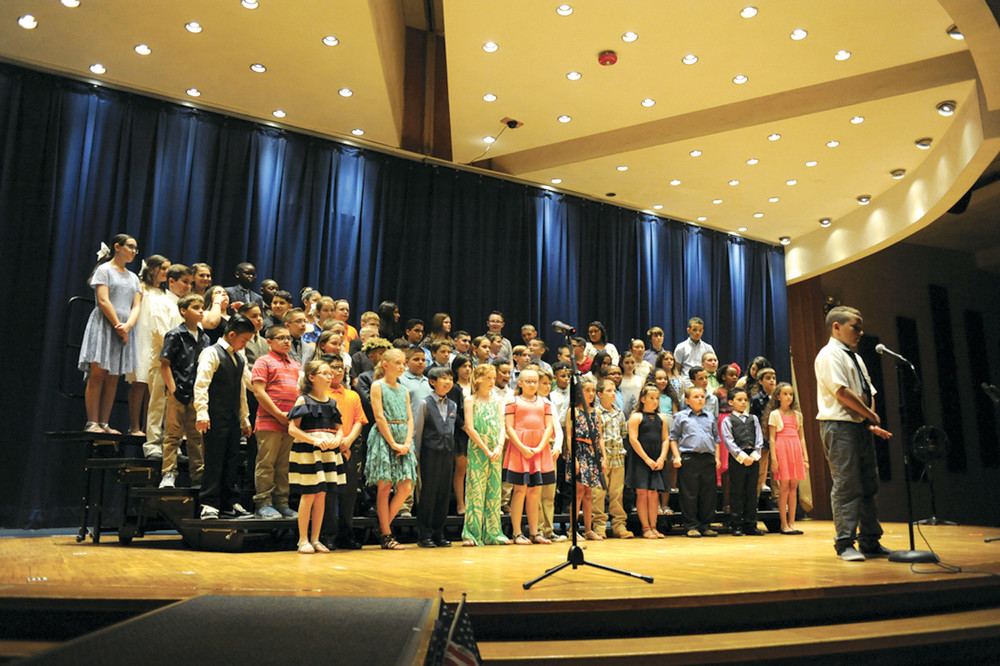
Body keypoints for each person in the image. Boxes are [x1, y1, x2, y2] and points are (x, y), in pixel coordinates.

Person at [814, 306, 893, 562]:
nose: (860, 332)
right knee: (847, 485)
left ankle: (870, 540)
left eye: (860, 327)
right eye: (854, 327)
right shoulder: (829, 354)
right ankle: (845, 542)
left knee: (869, 483)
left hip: (858, 425)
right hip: (838, 426)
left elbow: (867, 391)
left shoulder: (855, 357)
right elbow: (842, 393)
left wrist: (870, 420)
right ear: (836, 327)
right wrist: (869, 416)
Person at [78, 235, 142, 433]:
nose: (133, 251)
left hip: (123, 329)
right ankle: (92, 422)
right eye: (130, 247)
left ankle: (104, 423)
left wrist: (128, 326)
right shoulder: (104, 270)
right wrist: (118, 325)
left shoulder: (133, 278)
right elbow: (103, 300)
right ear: (117, 247)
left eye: (135, 249)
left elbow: (136, 305)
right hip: (105, 325)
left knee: (113, 376)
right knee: (98, 374)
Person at [194, 315, 255, 520]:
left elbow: (242, 392)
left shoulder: (239, 358)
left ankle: (228, 503)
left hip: (232, 419)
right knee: (214, 460)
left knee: (231, 461)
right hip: (213, 418)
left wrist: (244, 419)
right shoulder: (211, 353)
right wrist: (202, 413)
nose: (244, 345)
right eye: (244, 340)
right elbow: (201, 385)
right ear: (231, 334)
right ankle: (209, 504)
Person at [287, 360, 344, 554]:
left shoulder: (332, 403)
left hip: (328, 453)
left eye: (331, 374)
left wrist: (337, 440)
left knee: (322, 495)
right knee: (309, 493)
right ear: (311, 377)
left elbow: (339, 429)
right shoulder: (304, 400)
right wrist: (313, 441)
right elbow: (292, 429)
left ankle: (316, 538)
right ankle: (302, 539)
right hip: (308, 452)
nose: (330, 377)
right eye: (325, 373)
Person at [364, 348, 417, 550]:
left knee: (405, 487)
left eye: (404, 363)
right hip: (385, 438)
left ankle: (382, 525)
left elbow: (410, 417)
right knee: (385, 486)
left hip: (403, 437)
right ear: (385, 365)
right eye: (398, 363)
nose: (402, 366)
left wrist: (407, 440)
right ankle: (386, 534)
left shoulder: (403, 389)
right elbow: (379, 416)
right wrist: (392, 443)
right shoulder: (378, 386)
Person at [157, 293, 210, 489]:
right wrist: (173, 390)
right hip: (177, 391)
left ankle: (198, 475)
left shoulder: (205, 337)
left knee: (196, 438)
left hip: (196, 394)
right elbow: (165, 364)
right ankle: (168, 474)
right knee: (172, 435)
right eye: (196, 307)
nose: (201, 311)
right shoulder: (175, 335)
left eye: (202, 307)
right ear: (183, 311)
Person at [250, 325, 302, 519]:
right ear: (269, 342)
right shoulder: (263, 362)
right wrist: (279, 414)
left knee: (284, 466)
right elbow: (259, 392)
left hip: (290, 424)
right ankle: (263, 503)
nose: (286, 341)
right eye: (281, 338)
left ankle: (281, 503)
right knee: (266, 464)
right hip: (269, 422)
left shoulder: (297, 365)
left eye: (288, 338)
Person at [503, 368, 555, 544]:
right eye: (528, 381)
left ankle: (535, 532)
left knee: (535, 491)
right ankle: (517, 532)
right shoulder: (513, 401)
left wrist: (541, 446)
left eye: (535, 381)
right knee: (520, 490)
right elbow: (509, 427)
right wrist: (522, 447)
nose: (532, 385)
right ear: (520, 383)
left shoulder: (545, 402)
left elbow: (549, 427)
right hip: (520, 448)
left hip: (539, 449)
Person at [321, 355, 368, 550]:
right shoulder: (321, 394)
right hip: (327, 448)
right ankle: (328, 534)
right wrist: (337, 441)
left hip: (347, 448)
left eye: (341, 368)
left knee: (348, 493)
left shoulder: (352, 395)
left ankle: (346, 534)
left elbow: (359, 420)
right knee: (329, 493)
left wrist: (347, 441)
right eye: (334, 367)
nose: (339, 371)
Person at [461, 364, 509, 546]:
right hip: (478, 450)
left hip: (495, 451)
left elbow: (502, 425)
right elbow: (470, 428)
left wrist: (498, 446)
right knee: (476, 490)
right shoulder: (470, 400)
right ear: (479, 378)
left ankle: (493, 532)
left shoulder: (496, 400)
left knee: (494, 491)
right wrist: (486, 449)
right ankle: (471, 533)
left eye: (493, 378)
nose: (492, 381)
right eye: (488, 378)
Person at [413, 366, 459, 548]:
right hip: (429, 454)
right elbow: (419, 431)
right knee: (428, 493)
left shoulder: (453, 405)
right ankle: (425, 534)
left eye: (450, 378)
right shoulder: (425, 403)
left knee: (443, 493)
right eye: (443, 378)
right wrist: (417, 455)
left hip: (447, 454)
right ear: (432, 382)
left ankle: (439, 533)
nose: (448, 382)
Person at [671, 386, 721, 538]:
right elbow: (673, 438)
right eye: (696, 396)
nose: (700, 399)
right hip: (689, 458)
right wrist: (677, 456)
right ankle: (691, 525)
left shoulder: (710, 416)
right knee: (689, 494)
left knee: (708, 494)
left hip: (707, 458)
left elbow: (716, 439)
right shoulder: (681, 416)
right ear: (687, 400)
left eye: (702, 396)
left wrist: (717, 457)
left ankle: (706, 525)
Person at [127, 254, 169, 436]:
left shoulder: (165, 293)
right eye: (164, 269)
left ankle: (148, 427)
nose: (167, 273)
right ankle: (134, 426)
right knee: (139, 382)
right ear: (152, 269)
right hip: (141, 337)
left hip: (157, 340)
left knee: (154, 387)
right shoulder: (141, 287)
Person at [625, 384, 670, 538]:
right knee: (642, 493)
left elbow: (665, 439)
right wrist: (647, 459)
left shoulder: (662, 418)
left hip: (657, 457)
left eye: (657, 398)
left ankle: (654, 526)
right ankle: (645, 527)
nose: (655, 401)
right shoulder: (636, 417)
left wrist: (662, 457)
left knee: (654, 494)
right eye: (651, 398)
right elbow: (633, 439)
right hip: (641, 459)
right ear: (643, 399)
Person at [720, 388, 765, 536]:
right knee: (737, 491)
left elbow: (759, 439)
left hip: (752, 457)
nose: (743, 402)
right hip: (737, 458)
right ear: (731, 402)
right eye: (739, 400)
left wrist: (753, 455)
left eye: (745, 400)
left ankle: (750, 524)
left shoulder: (753, 418)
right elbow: (728, 441)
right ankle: (736, 524)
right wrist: (742, 457)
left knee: (751, 491)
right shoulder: (728, 420)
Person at [565, 376, 605, 540]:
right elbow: (569, 436)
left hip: (592, 452)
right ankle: (572, 530)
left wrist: (603, 457)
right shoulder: (573, 411)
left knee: (589, 492)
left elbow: (600, 437)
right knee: (579, 492)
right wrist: (573, 457)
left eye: (592, 390)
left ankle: (588, 529)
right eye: (586, 390)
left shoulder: (596, 413)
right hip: (579, 451)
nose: (590, 393)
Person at [767, 382, 810, 535]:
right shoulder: (775, 414)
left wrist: (805, 458)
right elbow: (772, 439)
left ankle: (792, 523)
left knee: (793, 488)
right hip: (782, 449)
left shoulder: (798, 415)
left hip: (795, 449)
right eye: (785, 394)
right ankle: (783, 524)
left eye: (791, 394)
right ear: (778, 396)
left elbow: (802, 438)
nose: (788, 397)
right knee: (784, 488)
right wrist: (774, 459)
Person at [592, 378, 632, 538]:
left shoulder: (619, 413)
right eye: (609, 391)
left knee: (617, 494)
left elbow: (623, 434)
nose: (613, 393)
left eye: (615, 391)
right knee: (599, 493)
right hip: (602, 459)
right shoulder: (596, 413)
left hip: (618, 458)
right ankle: (599, 526)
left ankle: (619, 525)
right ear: (600, 394)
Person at [448, 353, 473, 515]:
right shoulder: (455, 388)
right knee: (461, 470)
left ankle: (474, 503)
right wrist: (465, 427)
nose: (468, 369)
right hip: (461, 432)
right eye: (464, 366)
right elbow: (453, 411)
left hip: (477, 431)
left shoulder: (475, 386)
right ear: (456, 369)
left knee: (474, 471)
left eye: (470, 366)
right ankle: (460, 504)